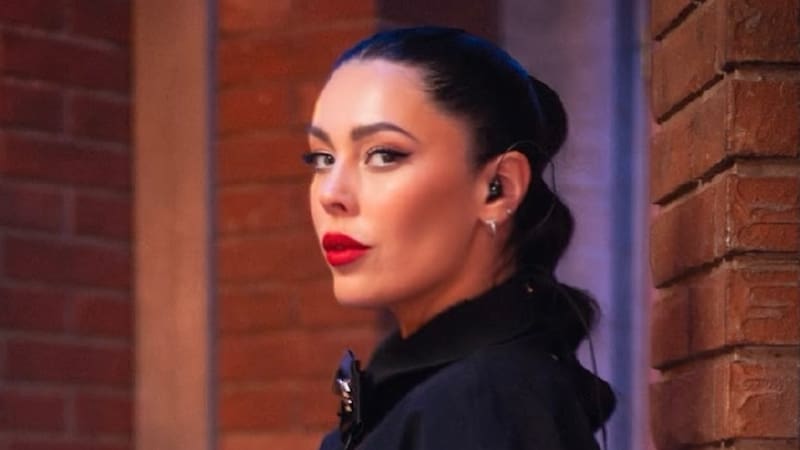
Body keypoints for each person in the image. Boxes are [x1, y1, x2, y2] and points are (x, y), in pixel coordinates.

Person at [302, 26, 616, 450]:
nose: (330, 194)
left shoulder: (483, 404)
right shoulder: (448, 392)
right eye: (322, 158)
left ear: (498, 188)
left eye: (383, 154)